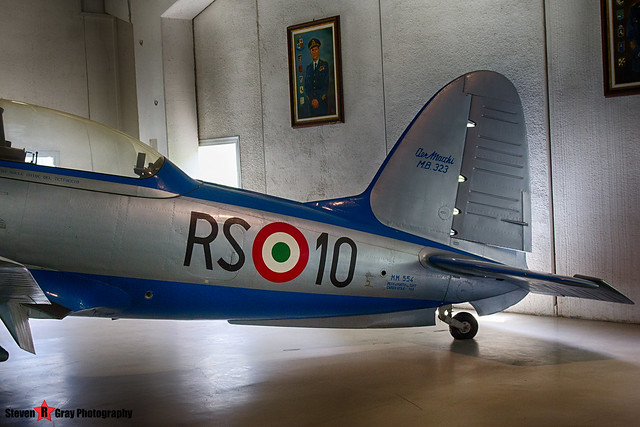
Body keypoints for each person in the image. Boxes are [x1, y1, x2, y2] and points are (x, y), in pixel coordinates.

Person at [304, 38, 330, 116]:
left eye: (316, 50)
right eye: (312, 50)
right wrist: (312, 100)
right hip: (311, 104)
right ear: (310, 52)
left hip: (322, 102)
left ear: (318, 50)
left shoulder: (324, 65)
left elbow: (326, 85)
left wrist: (318, 100)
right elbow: (306, 86)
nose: (314, 52)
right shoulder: (308, 68)